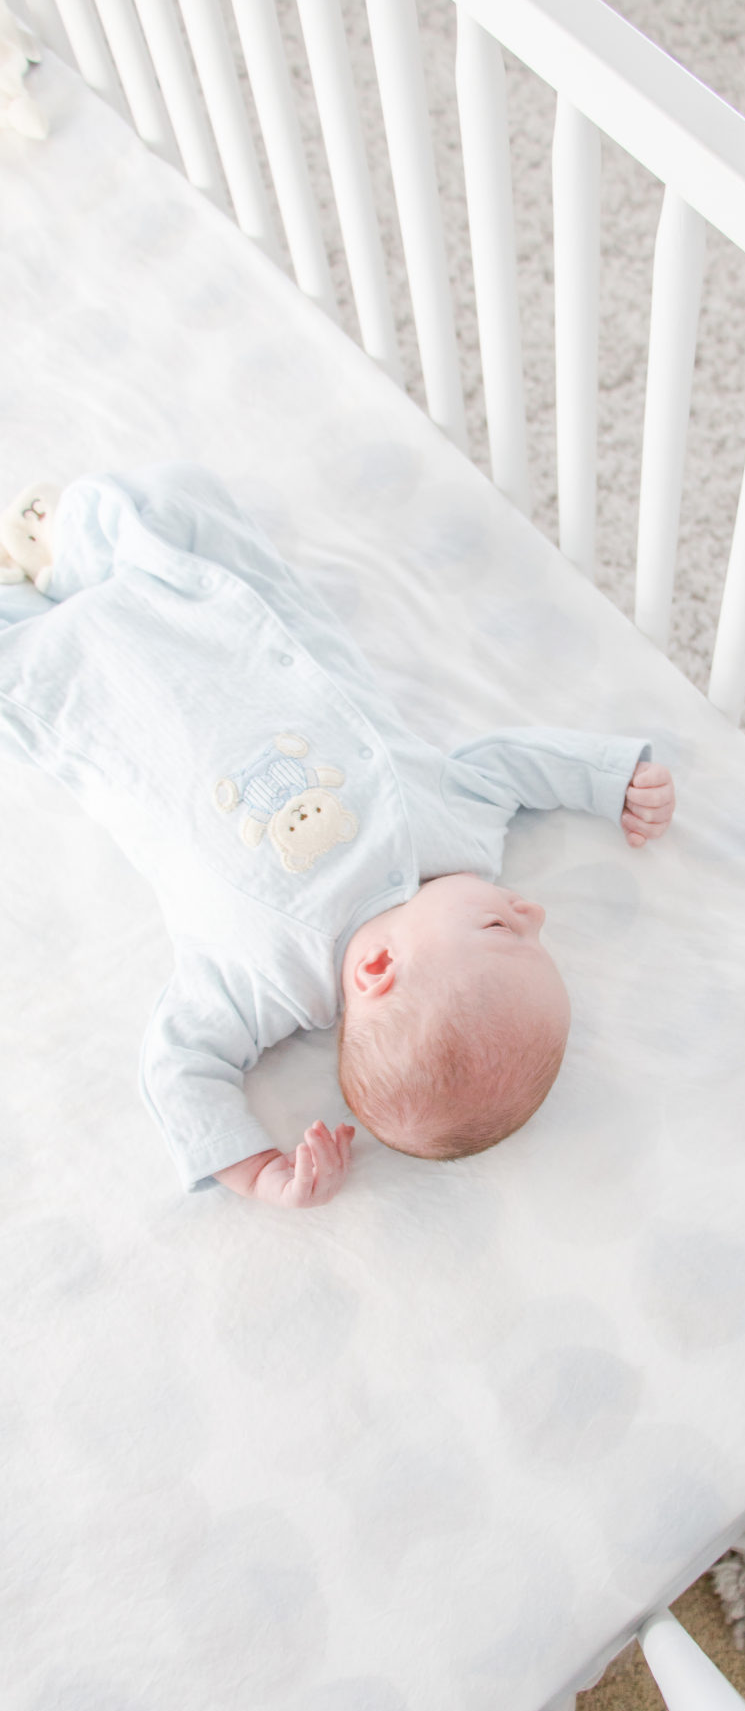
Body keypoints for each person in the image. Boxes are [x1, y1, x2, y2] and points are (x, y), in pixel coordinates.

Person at [0, 464, 675, 1209]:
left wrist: (255, 1169)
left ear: (379, 968)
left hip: (95, 687)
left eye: (502, 927)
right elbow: (507, 765)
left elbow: (179, 1062)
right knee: (174, 503)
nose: (533, 911)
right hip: (223, 611)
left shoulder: (264, 980)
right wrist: (606, 777)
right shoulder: (455, 840)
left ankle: (35, 581)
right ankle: (71, 546)